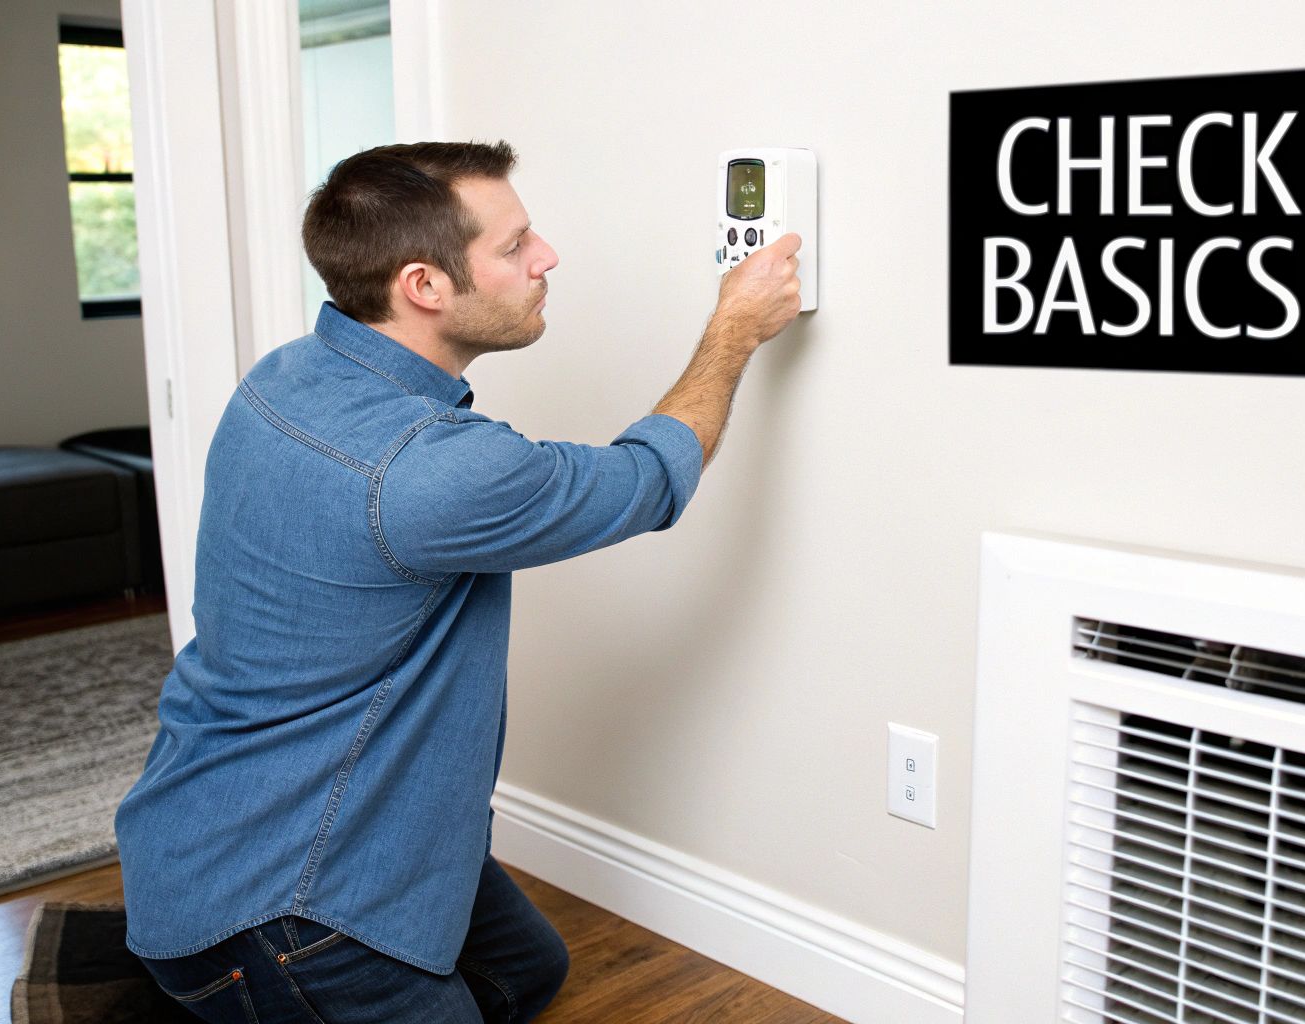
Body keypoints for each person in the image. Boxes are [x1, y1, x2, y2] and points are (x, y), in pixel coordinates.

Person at [112, 139, 802, 1023]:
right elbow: (649, 478)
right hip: (280, 899)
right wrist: (735, 331)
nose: (545, 257)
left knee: (529, 973)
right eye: (514, 247)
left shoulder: (286, 374)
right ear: (424, 286)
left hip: (200, 831)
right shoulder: (430, 472)